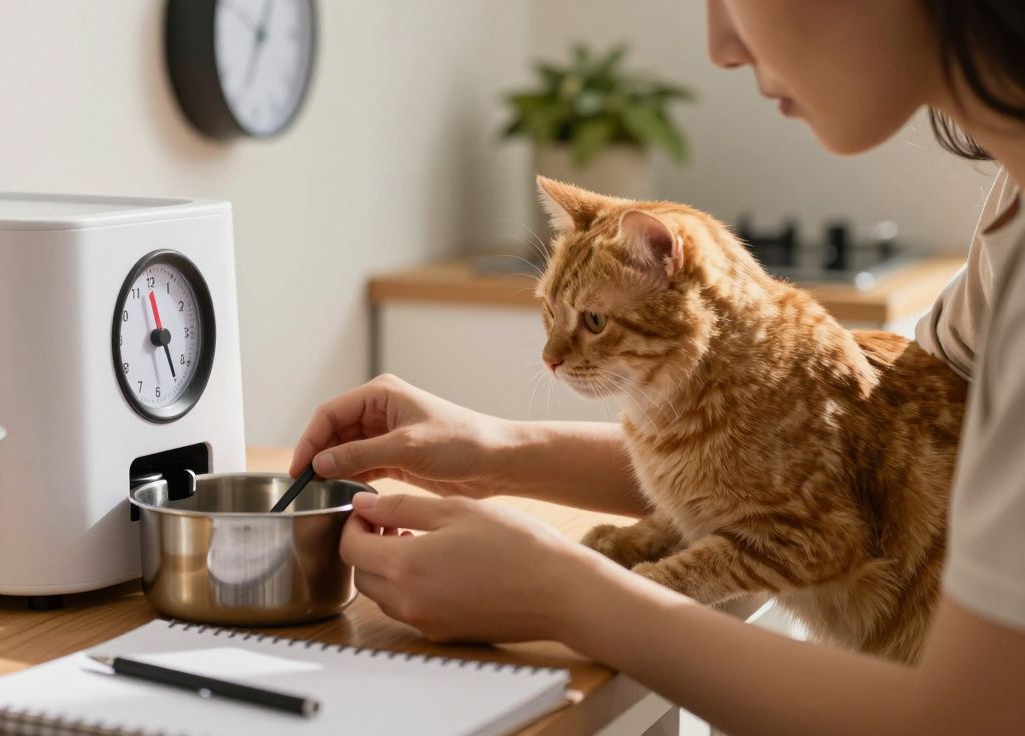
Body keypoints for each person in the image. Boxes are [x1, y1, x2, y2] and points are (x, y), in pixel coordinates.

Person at [289, 2, 1025, 733]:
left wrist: (566, 596)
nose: (719, 46)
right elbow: (831, 474)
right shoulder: (1011, 210)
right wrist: (494, 452)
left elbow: (963, 718)